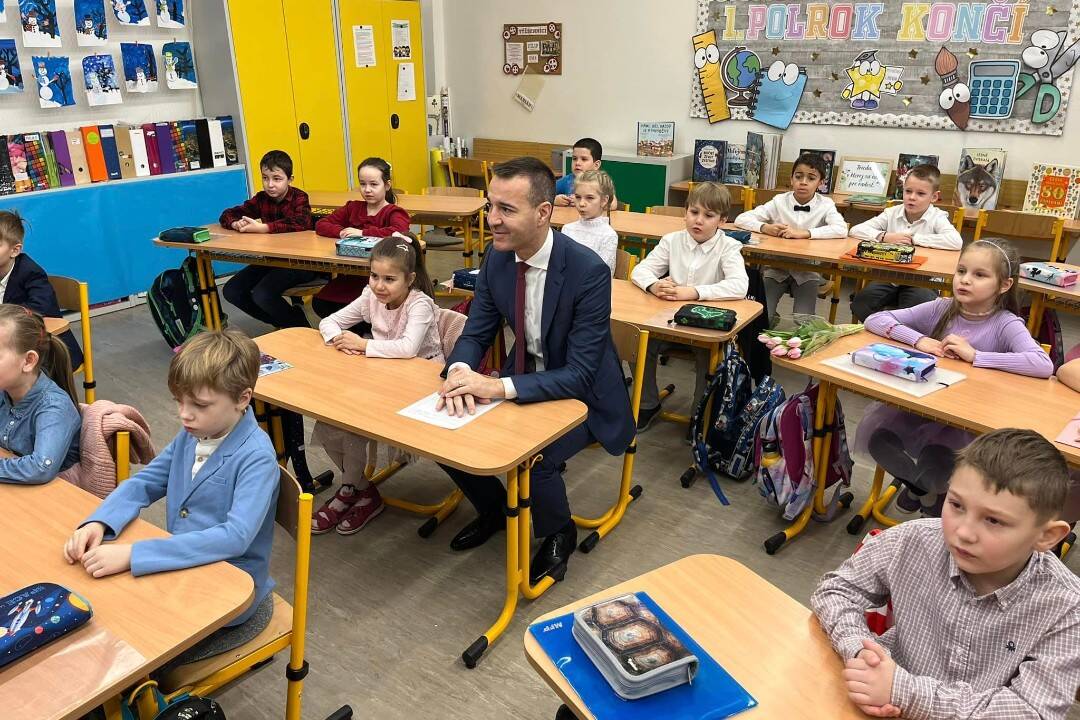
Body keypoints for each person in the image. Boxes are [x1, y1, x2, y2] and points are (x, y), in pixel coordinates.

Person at [434, 157, 635, 584]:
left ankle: (557, 531)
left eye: (506, 210)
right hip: (522, 377)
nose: (492, 220)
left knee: (535, 457)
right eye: (491, 206)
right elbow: (476, 331)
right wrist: (459, 370)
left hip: (582, 396)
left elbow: (580, 374)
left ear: (543, 213)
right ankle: (495, 510)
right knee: (445, 427)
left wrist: (495, 386)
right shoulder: (497, 258)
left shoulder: (588, 271)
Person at [811, 428, 1079, 720]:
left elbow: (1031, 712)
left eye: (993, 520)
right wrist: (861, 654)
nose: (962, 532)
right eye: (956, 505)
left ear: (1047, 536)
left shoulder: (1066, 607)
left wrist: (905, 691)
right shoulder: (913, 540)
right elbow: (834, 591)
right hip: (877, 700)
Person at [63, 330, 279, 665]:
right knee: (98, 608)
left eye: (199, 405)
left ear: (242, 398)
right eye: (179, 401)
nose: (185, 414)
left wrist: (135, 554)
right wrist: (99, 520)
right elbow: (145, 482)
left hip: (229, 583)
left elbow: (235, 538)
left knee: (129, 640)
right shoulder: (194, 432)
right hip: (184, 565)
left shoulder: (257, 457)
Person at [856, 239, 1052, 515]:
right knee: (879, 441)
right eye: (961, 271)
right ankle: (922, 490)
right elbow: (875, 320)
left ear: (1004, 285)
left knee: (937, 462)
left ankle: (934, 497)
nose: (965, 280)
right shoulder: (941, 307)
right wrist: (920, 339)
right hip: (922, 406)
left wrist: (976, 356)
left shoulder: (1005, 323)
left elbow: (1042, 363)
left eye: (979, 275)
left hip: (964, 422)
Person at [310, 232, 441, 535]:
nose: (379, 286)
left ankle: (351, 490)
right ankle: (360, 489)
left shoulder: (418, 304)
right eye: (374, 276)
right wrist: (338, 339)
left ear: (409, 279)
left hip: (420, 383)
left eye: (389, 279)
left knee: (353, 423)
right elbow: (328, 322)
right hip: (382, 375)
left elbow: (408, 349)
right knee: (330, 421)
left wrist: (362, 345)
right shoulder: (370, 296)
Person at [630, 182, 748, 430]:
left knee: (708, 358)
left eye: (709, 215)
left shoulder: (729, 246)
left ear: (722, 220)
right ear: (685, 212)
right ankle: (648, 403)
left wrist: (694, 292)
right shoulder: (672, 240)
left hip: (705, 328)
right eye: (694, 212)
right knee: (637, 342)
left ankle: (699, 415)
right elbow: (641, 270)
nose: (699, 221)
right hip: (668, 322)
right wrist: (653, 285)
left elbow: (739, 286)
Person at [733, 153, 848, 324]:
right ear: (791, 179)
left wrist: (806, 233)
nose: (803, 182)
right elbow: (740, 219)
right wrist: (766, 227)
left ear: (821, 183)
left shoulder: (826, 205)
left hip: (807, 269)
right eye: (798, 176)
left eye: (811, 178)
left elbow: (841, 229)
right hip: (775, 266)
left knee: (803, 320)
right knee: (762, 315)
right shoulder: (779, 201)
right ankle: (772, 321)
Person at [219, 150, 317, 329]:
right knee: (231, 291)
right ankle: (283, 323)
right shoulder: (261, 199)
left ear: (290, 179)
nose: (270, 184)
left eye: (277, 179)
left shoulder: (300, 198)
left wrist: (264, 228)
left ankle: (300, 327)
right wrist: (235, 224)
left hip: (300, 262)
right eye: (265, 178)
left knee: (262, 294)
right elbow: (228, 214)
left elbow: (301, 223)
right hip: (271, 260)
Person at [849, 165, 962, 321]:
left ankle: (903, 337)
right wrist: (884, 236)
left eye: (921, 193)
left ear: (934, 197)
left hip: (924, 280)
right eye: (908, 191)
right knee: (861, 303)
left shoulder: (937, 217)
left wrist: (913, 239)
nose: (912, 197)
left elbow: (956, 241)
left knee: (915, 309)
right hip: (890, 277)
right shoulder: (892, 212)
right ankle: (883, 330)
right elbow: (855, 230)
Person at [314, 157, 411, 316]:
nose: (367, 189)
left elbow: (399, 232)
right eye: (363, 184)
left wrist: (362, 233)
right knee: (321, 302)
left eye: (374, 184)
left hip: (378, 278)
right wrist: (342, 232)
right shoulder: (352, 207)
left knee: (365, 310)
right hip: (351, 274)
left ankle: (364, 335)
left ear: (386, 185)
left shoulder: (393, 212)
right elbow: (322, 225)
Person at [0, 304, 80, 484]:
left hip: (59, 497)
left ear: (28, 361)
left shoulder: (53, 407)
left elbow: (40, 468)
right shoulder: (6, 389)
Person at [0, 210, 84, 368]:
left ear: (15, 250)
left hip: (47, 349)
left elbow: (41, 307)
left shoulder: (30, 272)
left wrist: (5, 317)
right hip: (10, 346)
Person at [560, 169, 618, 275]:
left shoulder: (608, 236)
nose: (581, 203)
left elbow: (603, 275)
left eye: (589, 198)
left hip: (592, 289)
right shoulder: (567, 229)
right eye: (578, 197)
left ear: (604, 200)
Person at [553, 137, 618, 209]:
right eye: (574, 158)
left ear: (596, 165)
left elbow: (613, 204)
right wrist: (554, 200)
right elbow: (542, 196)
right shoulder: (567, 180)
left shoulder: (601, 182)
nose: (577, 163)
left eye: (584, 159)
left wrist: (580, 201)